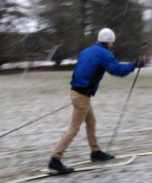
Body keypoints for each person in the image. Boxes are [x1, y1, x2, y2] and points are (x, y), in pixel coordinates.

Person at [48, 28, 144, 173]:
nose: (112, 44)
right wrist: (134, 64)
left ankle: (96, 152)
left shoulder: (86, 51)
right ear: (109, 41)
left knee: (91, 122)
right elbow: (117, 70)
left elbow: (77, 71)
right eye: (112, 41)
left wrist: (79, 91)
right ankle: (55, 159)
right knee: (74, 128)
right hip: (82, 95)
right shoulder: (104, 53)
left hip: (77, 92)